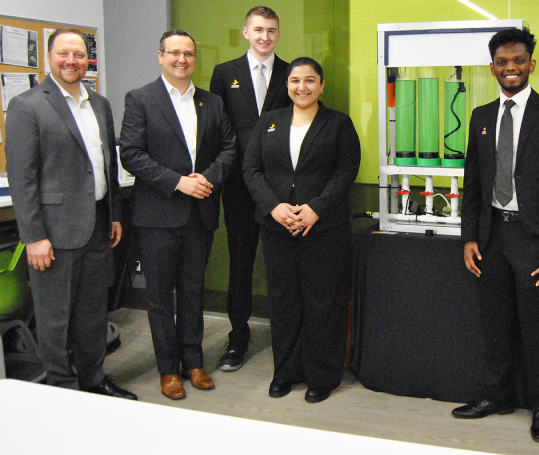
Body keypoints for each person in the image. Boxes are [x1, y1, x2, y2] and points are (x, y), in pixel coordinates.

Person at [454, 28, 539, 443]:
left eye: (519, 61)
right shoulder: (480, 116)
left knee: (538, 327)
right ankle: (496, 396)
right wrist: (469, 236)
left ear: (531, 64)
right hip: (491, 236)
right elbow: (474, 181)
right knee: (495, 322)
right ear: (492, 67)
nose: (511, 68)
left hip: (536, 240)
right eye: (503, 62)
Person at [4, 28, 136, 400]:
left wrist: (114, 213)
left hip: (97, 225)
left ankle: (94, 380)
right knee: (55, 319)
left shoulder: (99, 104)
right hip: (54, 232)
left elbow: (106, 165)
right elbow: (22, 178)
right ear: (50, 57)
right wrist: (34, 237)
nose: (71, 61)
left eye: (79, 54)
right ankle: (62, 391)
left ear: (87, 60)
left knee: (93, 314)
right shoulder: (27, 105)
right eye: (64, 53)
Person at [119, 29, 236, 400]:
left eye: (188, 53)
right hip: (157, 215)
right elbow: (131, 154)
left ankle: (193, 362)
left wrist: (207, 178)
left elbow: (229, 149)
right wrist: (178, 183)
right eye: (174, 52)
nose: (182, 59)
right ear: (160, 56)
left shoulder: (212, 102)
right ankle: (168, 369)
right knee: (159, 297)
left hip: (200, 214)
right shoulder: (140, 99)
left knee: (192, 292)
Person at [243, 57, 360, 404]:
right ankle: (286, 372)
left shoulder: (338, 124)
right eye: (295, 80)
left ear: (321, 86)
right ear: (287, 85)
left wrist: (315, 209)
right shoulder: (269, 121)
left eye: (310, 80)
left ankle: (322, 376)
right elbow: (251, 170)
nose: (302, 87)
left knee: (323, 303)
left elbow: (346, 171)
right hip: (277, 228)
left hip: (324, 230)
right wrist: (274, 207)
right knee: (284, 303)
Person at [210, 6, 292, 372]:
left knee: (282, 267)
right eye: (258, 30)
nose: (264, 37)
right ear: (246, 32)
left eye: (271, 30)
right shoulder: (224, 73)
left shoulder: (291, 73)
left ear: (278, 34)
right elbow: (216, 129)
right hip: (239, 188)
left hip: (280, 189)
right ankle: (237, 338)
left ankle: (287, 341)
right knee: (240, 264)